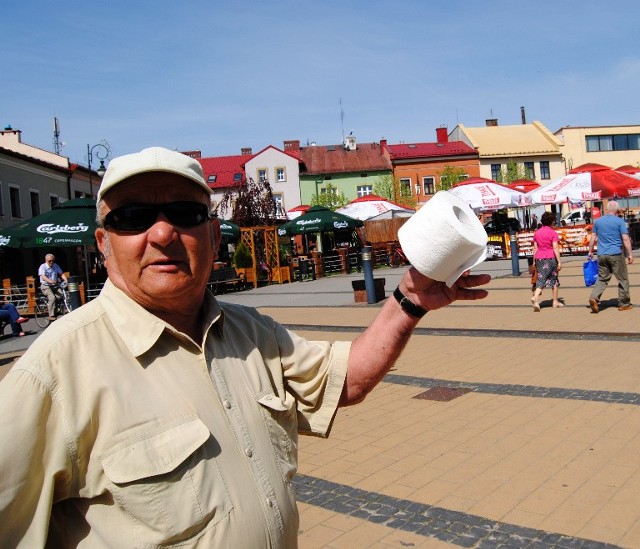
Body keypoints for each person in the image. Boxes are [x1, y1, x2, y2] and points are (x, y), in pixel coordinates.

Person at [0, 147, 490, 547]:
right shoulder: (55, 373)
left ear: (214, 237)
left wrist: (408, 300)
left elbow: (347, 379)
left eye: (186, 213)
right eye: (134, 217)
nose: (164, 232)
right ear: (104, 244)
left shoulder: (249, 332)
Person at [587, 200, 633, 313]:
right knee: (622, 279)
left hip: (602, 254)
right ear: (617, 210)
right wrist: (630, 254)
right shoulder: (619, 221)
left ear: (607, 209)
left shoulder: (598, 221)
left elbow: (593, 237)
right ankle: (624, 303)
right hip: (616, 254)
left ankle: (594, 297)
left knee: (602, 278)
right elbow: (625, 238)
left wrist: (590, 251)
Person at [531, 211, 563, 311]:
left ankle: (554, 301)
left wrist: (534, 261)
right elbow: (555, 248)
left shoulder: (537, 233)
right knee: (553, 280)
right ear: (552, 222)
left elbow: (535, 248)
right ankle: (537, 297)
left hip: (539, 257)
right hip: (550, 258)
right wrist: (559, 261)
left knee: (542, 277)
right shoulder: (553, 233)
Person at [38, 253, 68, 320]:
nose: (51, 262)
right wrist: (50, 281)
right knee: (52, 298)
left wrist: (66, 280)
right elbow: (43, 276)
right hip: (45, 286)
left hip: (54, 285)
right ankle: (51, 315)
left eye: (52, 260)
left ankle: (55, 309)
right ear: (46, 260)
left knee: (61, 294)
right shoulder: (42, 266)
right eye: (49, 261)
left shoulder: (55, 266)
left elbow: (61, 273)